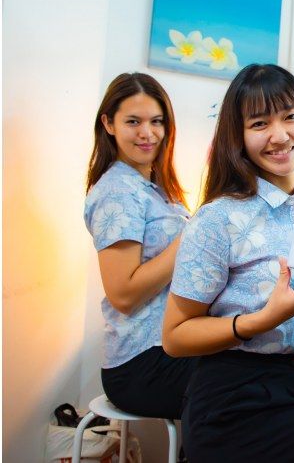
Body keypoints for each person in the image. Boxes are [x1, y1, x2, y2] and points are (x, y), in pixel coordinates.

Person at [162, 64, 294, 463]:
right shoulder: (219, 218)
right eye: (259, 123)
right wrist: (262, 319)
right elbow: (175, 336)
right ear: (237, 135)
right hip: (239, 398)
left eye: (290, 116)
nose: (279, 135)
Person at [84, 72, 195, 420]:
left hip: (169, 347)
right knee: (242, 383)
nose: (148, 133)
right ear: (109, 123)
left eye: (156, 121)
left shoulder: (154, 187)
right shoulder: (118, 191)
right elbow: (124, 294)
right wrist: (190, 239)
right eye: (134, 121)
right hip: (141, 364)